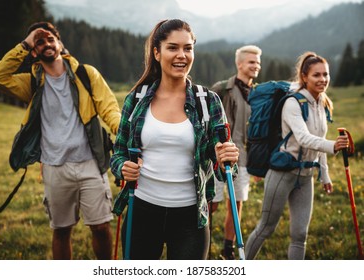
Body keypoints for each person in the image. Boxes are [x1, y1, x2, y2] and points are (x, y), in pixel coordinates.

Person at [0, 22, 121, 259]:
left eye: (50, 39)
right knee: (61, 230)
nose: (46, 44)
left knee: (101, 227)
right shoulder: (31, 82)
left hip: (90, 162)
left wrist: (123, 132)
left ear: (60, 44)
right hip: (54, 166)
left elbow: (109, 108)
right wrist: (25, 43)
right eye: (39, 42)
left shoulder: (86, 74)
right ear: (33, 52)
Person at [110, 19, 239, 260]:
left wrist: (226, 158)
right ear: (157, 53)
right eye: (173, 47)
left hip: (191, 218)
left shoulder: (207, 101)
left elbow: (223, 167)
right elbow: (118, 154)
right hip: (142, 212)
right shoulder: (136, 99)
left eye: (188, 48)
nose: (182, 55)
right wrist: (122, 167)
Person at [245, 52, 350, 260]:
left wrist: (325, 175)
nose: (322, 80)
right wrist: (334, 146)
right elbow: (303, 138)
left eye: (325, 75)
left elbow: (320, 138)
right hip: (283, 172)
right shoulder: (293, 103)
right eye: (316, 75)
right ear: (304, 77)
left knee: (300, 234)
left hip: (306, 176)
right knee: (266, 228)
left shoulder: (322, 103)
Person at [210, 45, 262, 260]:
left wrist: (257, 163)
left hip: (243, 158)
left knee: (236, 203)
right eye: (251, 62)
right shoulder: (222, 89)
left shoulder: (259, 94)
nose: (256, 65)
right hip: (219, 157)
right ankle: (202, 247)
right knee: (210, 203)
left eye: (258, 62)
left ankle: (228, 249)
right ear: (239, 64)